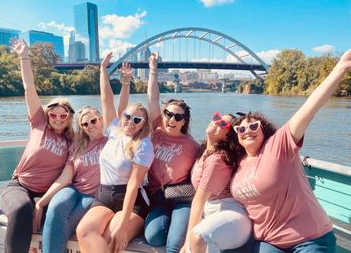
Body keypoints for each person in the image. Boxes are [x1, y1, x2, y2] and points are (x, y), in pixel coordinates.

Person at [229, 49, 351, 253]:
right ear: (236, 136)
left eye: (253, 126)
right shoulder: (237, 164)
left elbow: (308, 109)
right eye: (240, 128)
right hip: (269, 243)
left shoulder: (278, 146)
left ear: (263, 128)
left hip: (310, 239)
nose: (247, 131)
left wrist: (340, 68)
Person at [0, 39, 75, 253]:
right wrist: (24, 56)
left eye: (63, 114)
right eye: (54, 113)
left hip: (46, 194)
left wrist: (43, 202)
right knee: (22, 208)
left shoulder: (71, 142)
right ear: (47, 114)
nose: (58, 118)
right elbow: (29, 88)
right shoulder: (39, 123)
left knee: (61, 215)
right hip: (19, 187)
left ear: (69, 117)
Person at [76, 52, 155, 253]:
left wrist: (122, 225)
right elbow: (107, 99)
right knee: (84, 231)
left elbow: (133, 186)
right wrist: (103, 70)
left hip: (131, 201)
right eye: (128, 116)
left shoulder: (143, 145)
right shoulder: (114, 130)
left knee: (111, 238)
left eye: (137, 120)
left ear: (143, 124)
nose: (130, 122)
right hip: (104, 195)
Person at [31, 106, 108, 253]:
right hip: (74, 189)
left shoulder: (110, 143)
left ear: (101, 120)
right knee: (55, 208)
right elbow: (66, 177)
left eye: (93, 121)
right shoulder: (77, 145)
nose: (90, 126)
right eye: (84, 124)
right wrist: (41, 203)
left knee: (68, 223)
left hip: (93, 195)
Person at [144, 53, 200, 253]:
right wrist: (153, 69)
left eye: (178, 117)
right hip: (158, 196)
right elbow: (152, 98)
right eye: (168, 114)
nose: (171, 119)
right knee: (153, 237)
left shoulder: (192, 146)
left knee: (174, 245)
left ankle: (178, 228)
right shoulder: (156, 131)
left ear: (184, 121)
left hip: (181, 198)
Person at [180, 112, 251, 253]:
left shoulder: (217, 160)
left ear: (227, 136)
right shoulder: (204, 151)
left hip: (230, 215)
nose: (217, 122)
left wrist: (186, 244)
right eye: (217, 118)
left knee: (196, 239)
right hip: (211, 212)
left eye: (223, 124)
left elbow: (198, 202)